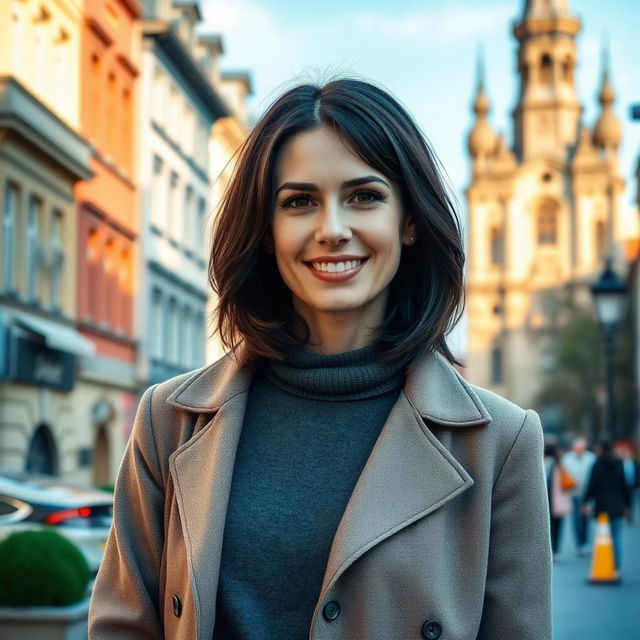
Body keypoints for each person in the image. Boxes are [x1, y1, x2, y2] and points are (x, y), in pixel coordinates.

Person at [88, 77, 552, 639]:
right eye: (300, 201)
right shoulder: (169, 420)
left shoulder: (499, 443)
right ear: (266, 229)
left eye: (364, 196)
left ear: (408, 221)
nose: (332, 230)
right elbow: (122, 627)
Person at [583, 440, 632, 571]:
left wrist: (586, 501)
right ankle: (616, 565)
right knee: (616, 535)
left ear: (602, 449)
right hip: (617, 504)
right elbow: (624, 486)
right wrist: (628, 505)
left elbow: (591, 485)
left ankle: (603, 562)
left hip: (602, 504)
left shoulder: (597, 464)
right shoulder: (619, 463)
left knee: (602, 535)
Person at [561, 436, 596, 555]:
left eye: (581, 448)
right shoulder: (567, 458)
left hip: (587, 494)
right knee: (576, 518)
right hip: (573, 494)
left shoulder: (591, 458)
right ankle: (579, 543)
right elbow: (563, 475)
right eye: (577, 448)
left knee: (586, 518)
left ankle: (585, 541)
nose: (579, 450)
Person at [544, 443, 572, 561]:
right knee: (559, 527)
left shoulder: (542, 463)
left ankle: (549, 549)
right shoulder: (559, 464)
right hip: (558, 500)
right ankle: (556, 550)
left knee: (548, 527)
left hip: (546, 500)